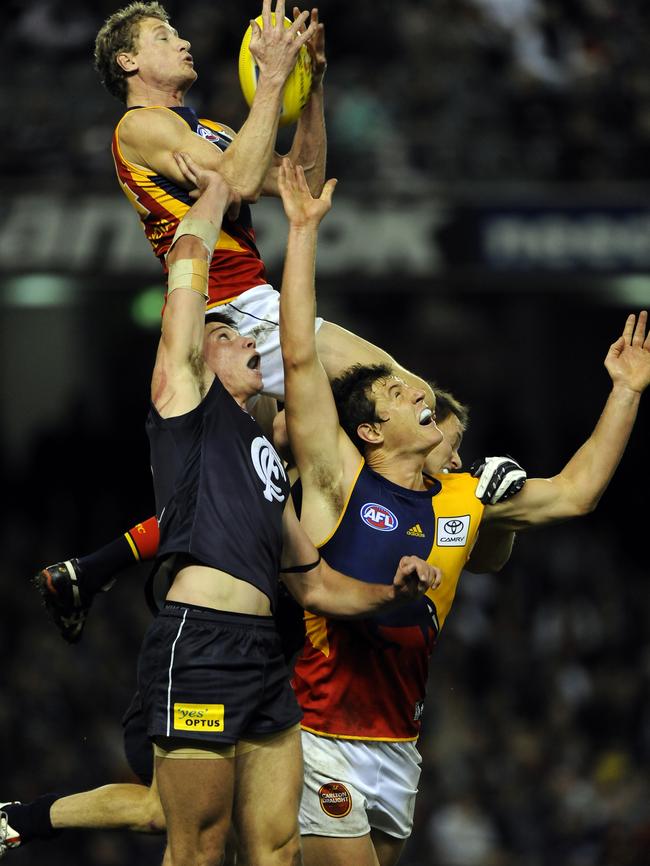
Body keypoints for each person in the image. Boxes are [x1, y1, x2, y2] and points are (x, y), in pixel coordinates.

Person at [33, 0, 454, 643]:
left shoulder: (211, 128)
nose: (184, 43)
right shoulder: (140, 126)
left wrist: (309, 89)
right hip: (227, 312)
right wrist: (275, 81)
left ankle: (91, 571)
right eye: (163, 36)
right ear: (128, 61)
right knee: (407, 390)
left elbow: (302, 183)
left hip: (237, 308)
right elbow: (238, 180)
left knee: (244, 477)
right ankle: (447, 511)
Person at [273, 158, 650, 866]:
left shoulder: (470, 495)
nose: (410, 389)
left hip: (400, 745)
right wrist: (301, 234)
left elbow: (576, 493)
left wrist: (627, 390)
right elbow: (298, 358)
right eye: (389, 393)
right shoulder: (337, 477)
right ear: (371, 433)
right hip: (324, 735)